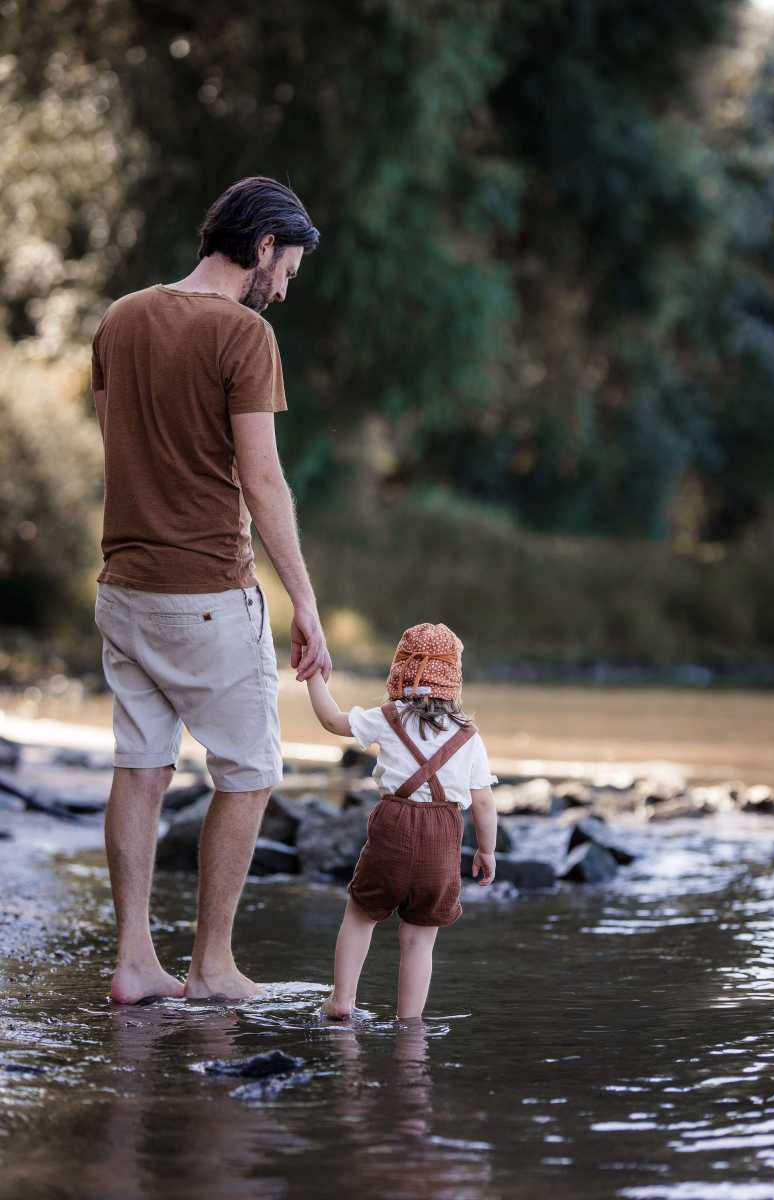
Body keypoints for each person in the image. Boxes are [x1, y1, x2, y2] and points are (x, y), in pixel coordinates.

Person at [91, 176, 331, 1005]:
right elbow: (262, 481)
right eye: (288, 267)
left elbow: (116, 440)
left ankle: (133, 963)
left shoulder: (121, 317)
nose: (286, 286)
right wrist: (304, 600)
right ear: (262, 247)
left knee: (142, 765)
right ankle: (212, 967)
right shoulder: (242, 335)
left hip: (122, 586)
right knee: (249, 772)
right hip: (205, 593)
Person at [305, 623, 498, 1020]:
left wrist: (313, 678)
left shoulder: (388, 716)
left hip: (393, 825)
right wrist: (486, 850)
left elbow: (331, 721)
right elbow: (483, 801)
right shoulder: (469, 736)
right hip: (443, 837)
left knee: (361, 914)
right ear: (453, 679)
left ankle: (342, 1000)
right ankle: (409, 1022)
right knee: (419, 937)